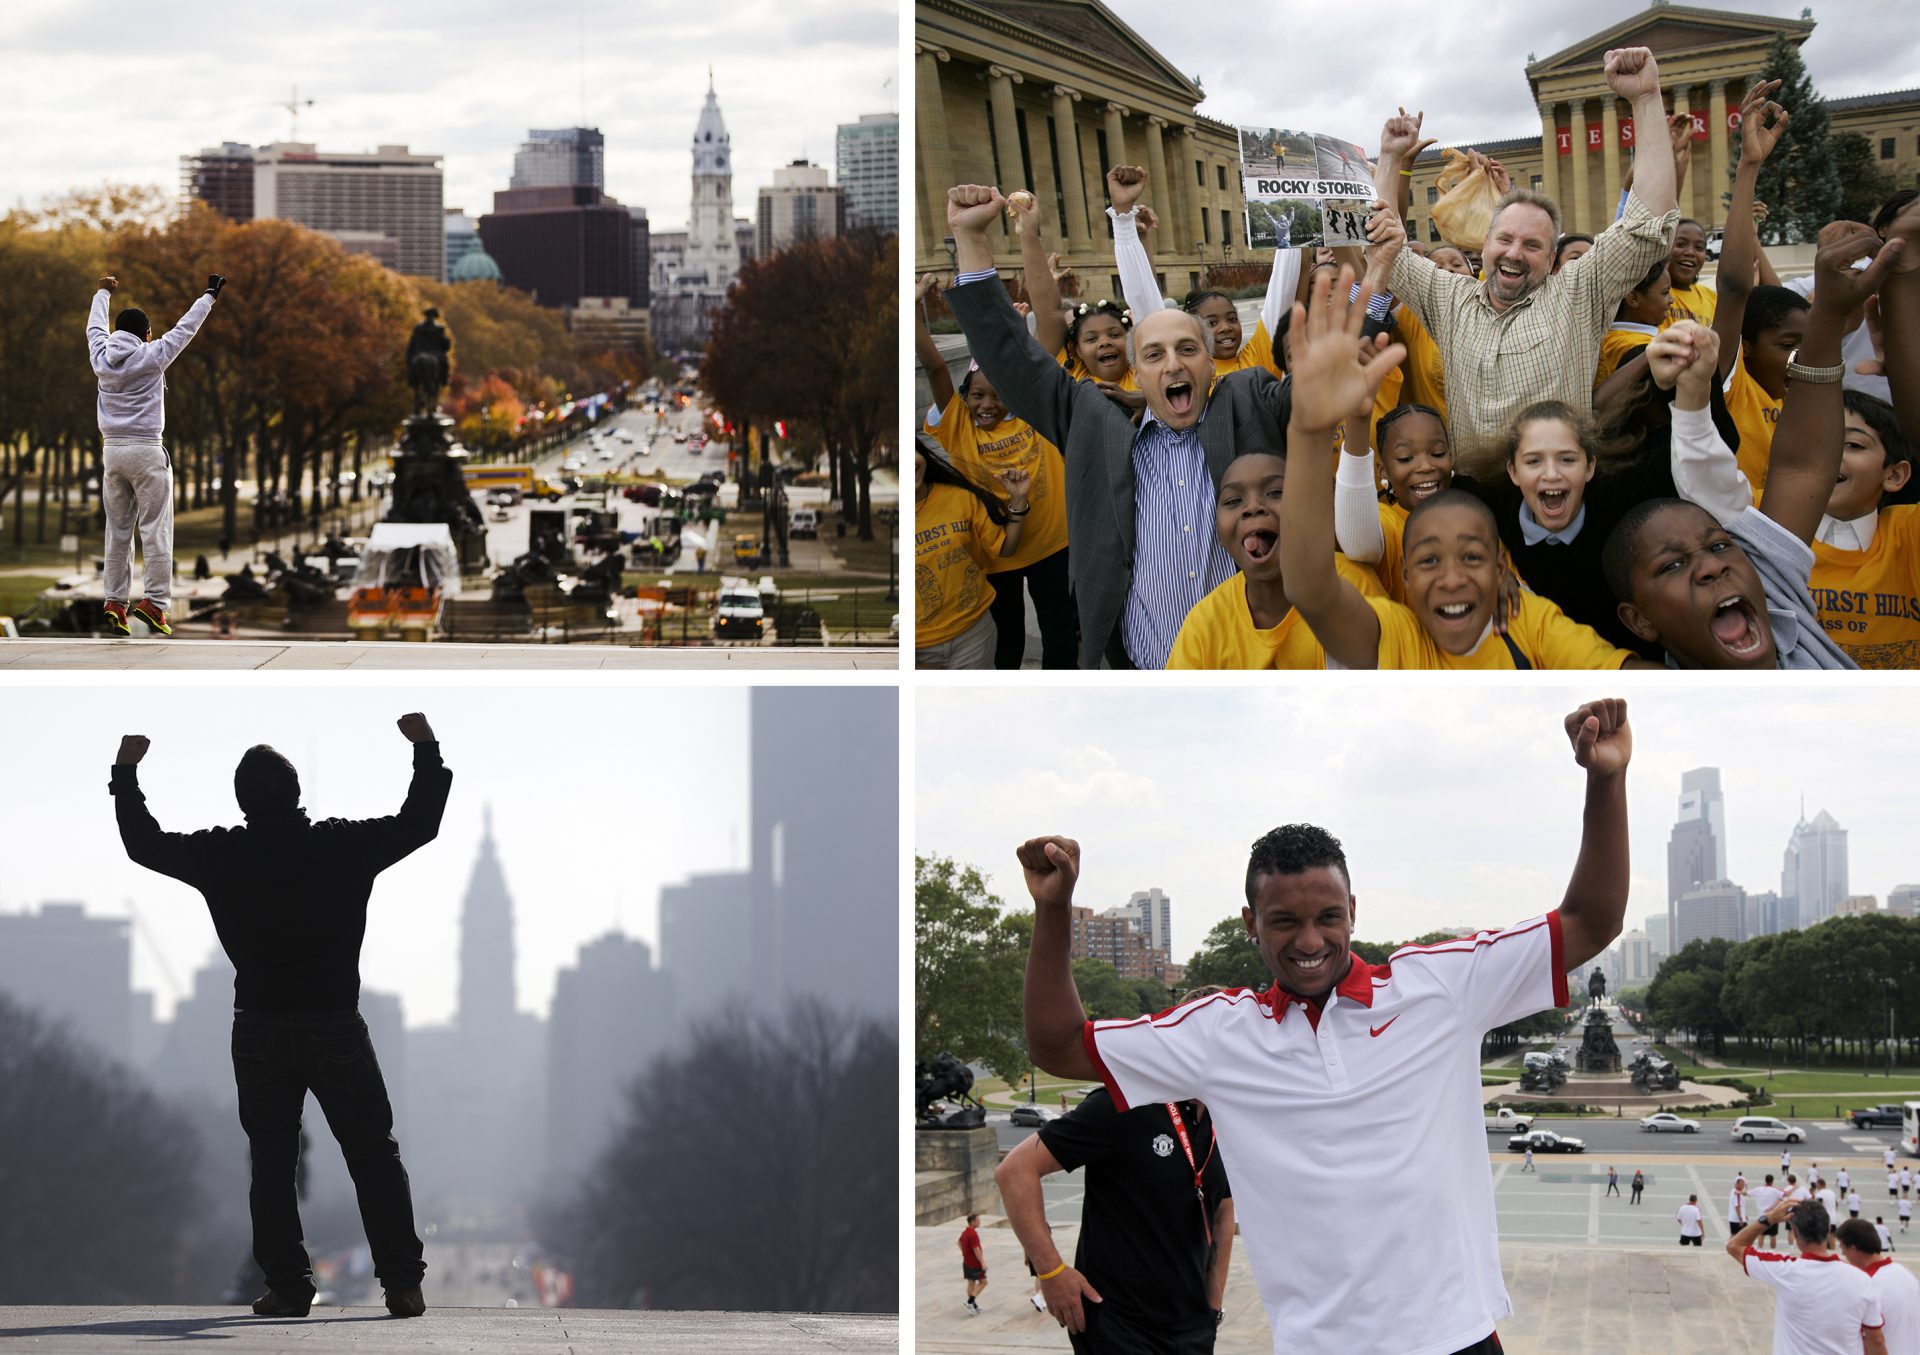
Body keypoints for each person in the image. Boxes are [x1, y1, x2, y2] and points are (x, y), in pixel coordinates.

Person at [1016, 698, 1632, 1355]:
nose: (1310, 941)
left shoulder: (1440, 987)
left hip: (1457, 1337)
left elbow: (1591, 920)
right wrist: (1054, 911)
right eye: (1284, 921)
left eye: (1328, 916)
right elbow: (1058, 1043)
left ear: (1354, 911)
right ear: (1251, 921)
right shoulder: (1219, 1035)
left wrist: (1606, 780)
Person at [111, 713, 450, 1319]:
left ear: (240, 800)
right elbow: (419, 823)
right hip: (335, 1025)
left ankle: (290, 1287)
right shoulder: (341, 846)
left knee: (272, 1163)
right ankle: (401, 1282)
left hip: (261, 1027)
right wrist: (425, 749)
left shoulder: (222, 855)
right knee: (373, 1154)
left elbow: (145, 845)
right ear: (298, 794)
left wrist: (127, 772)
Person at [943, 183, 1298, 669]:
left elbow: (1316, 391)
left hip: (1255, 663)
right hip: (1143, 668)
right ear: (1140, 372)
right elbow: (1013, 359)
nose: (1173, 364)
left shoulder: (1248, 399)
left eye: (1187, 350)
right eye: (1154, 355)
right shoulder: (1095, 423)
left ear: (1212, 367)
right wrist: (970, 238)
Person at [1280, 267, 1642, 670]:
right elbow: (1313, 583)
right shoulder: (1395, 637)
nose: (1452, 579)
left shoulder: (1527, 623)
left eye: (1472, 557)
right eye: (1429, 560)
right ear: (1403, 575)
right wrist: (1310, 431)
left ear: (1500, 566)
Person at [1604, 223, 1902, 670]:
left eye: (1722, 546)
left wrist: (1830, 316)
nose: (1711, 568)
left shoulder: (1777, 593)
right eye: (1670, 566)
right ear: (1639, 622)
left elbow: (1802, 467)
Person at [1368, 48, 1679, 476]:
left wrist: (1645, 99)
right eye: (1506, 239)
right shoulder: (1449, 298)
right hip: (1477, 509)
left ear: (1552, 259)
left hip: (1557, 501)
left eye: (1532, 245)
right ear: (1486, 245)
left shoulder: (1579, 293)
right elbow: (1387, 248)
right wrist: (1389, 159)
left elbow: (1649, 222)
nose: (1514, 253)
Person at [995, 1085, 1234, 1353]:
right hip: (1119, 1328)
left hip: (1192, 1331)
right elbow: (1015, 1170)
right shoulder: (1120, 1103)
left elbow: (1223, 1211)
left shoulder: (1221, 1118)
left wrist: (1213, 1305)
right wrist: (1051, 1271)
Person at [916, 275, 1073, 668]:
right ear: (964, 397)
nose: (987, 404)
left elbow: (1046, 339)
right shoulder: (957, 426)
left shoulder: (1035, 412)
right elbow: (936, 368)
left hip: (1052, 547)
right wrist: (910, 311)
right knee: (1007, 644)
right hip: (994, 556)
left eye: (999, 394)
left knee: (1061, 636)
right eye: (977, 395)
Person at [87, 272, 225, 637]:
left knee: (117, 531)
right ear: (146, 333)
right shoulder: (153, 355)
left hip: (112, 453)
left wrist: (102, 292)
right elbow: (185, 329)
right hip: (147, 450)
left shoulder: (101, 356)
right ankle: (155, 604)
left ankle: (115, 602)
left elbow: (94, 327)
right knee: (156, 529)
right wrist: (209, 295)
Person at [1166, 451, 1386, 669]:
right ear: (1219, 535)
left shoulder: (1352, 588)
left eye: (1275, 492)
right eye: (1233, 500)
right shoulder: (1204, 625)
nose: (1253, 507)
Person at [913, 436, 1033, 669]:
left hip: (974, 636)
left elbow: (1005, 548)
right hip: (918, 649)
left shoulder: (960, 498)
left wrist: (1018, 501)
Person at [1728, 1199, 1887, 1355]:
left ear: (1795, 1234)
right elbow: (1876, 1341)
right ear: (1828, 1231)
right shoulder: (1861, 1279)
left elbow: (1734, 1246)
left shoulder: (1785, 1270)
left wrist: (1768, 1218)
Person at [1839, 1218, 1918, 1353]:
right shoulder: (1906, 1274)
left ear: (1853, 1249)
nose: (1843, 1254)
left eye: (1843, 1248)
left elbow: (1872, 1341)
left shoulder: (1866, 1285)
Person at [960, 1212, 987, 1312]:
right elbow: (976, 1249)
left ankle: (973, 1306)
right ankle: (970, 1302)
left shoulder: (965, 1232)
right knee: (983, 1282)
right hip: (974, 1263)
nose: (979, 1222)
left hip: (966, 1262)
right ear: (973, 1222)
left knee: (971, 1283)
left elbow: (959, 1242)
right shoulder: (973, 1234)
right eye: (978, 1220)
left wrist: (965, 1252)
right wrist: (982, 1262)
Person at [1752, 1175, 1786, 1245]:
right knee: (1772, 1235)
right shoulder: (1775, 1191)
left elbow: (1747, 1193)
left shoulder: (1759, 1189)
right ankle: (1772, 1250)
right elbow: (1784, 1195)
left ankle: (1760, 1249)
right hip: (1773, 1215)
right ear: (1772, 1181)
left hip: (1762, 1215)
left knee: (1761, 1234)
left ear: (1765, 1180)